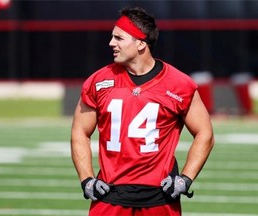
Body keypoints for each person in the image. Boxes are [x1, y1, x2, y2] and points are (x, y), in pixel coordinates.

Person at [71, 6, 214, 216]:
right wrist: (87, 179)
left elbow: (205, 133)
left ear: (140, 43)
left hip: (160, 196)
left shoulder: (179, 84)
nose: (112, 43)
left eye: (119, 38)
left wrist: (185, 178)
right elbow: (79, 131)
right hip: (110, 193)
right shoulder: (99, 81)